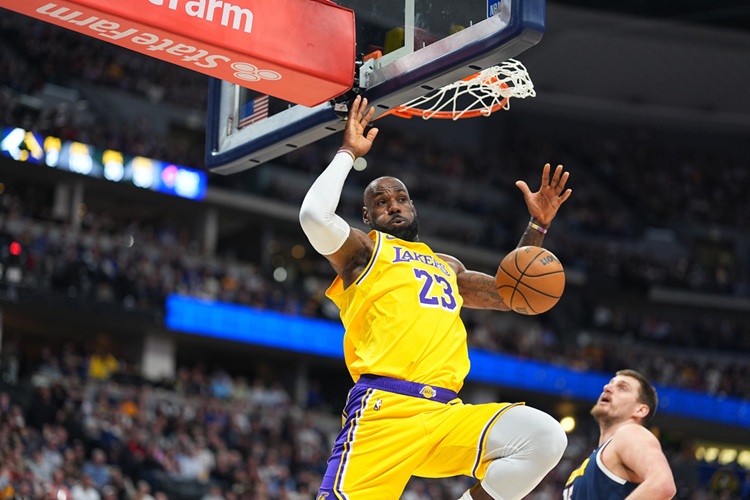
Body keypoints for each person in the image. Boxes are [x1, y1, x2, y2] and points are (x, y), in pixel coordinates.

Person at [299, 96, 572, 500]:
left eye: (401, 199)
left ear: (413, 206)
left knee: (545, 437)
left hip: (446, 414)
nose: (394, 206)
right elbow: (313, 216)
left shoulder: (448, 266)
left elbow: (510, 293)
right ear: (368, 217)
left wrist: (538, 226)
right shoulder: (364, 253)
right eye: (381, 202)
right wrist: (348, 152)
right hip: (386, 410)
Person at [563, 369, 677, 499]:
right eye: (610, 383)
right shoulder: (597, 456)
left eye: (622, 388)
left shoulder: (631, 433)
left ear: (640, 410)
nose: (607, 388)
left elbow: (662, 484)